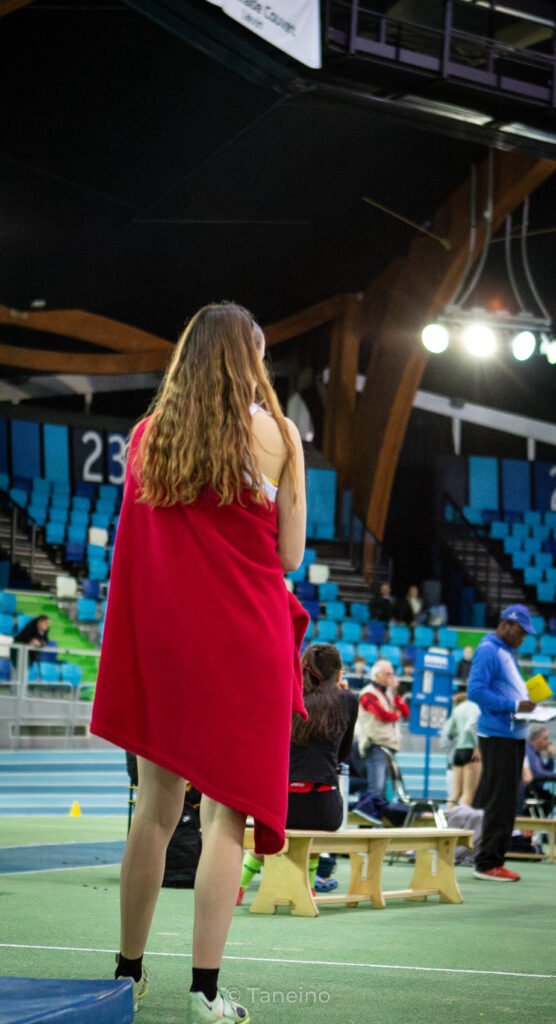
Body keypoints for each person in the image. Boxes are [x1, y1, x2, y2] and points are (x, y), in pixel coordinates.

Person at [90, 303, 308, 1023]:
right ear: (251, 358)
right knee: (225, 823)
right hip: (246, 646)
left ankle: (127, 974)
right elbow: (289, 556)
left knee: (154, 812)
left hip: (170, 645)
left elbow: (140, 551)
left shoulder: (150, 435)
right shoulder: (279, 434)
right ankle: (206, 993)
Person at [237, 643, 358, 903]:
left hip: (280, 803)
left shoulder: (286, 695)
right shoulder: (347, 700)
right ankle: (309, 885)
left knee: (274, 826)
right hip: (322, 808)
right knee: (313, 824)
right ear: (338, 674)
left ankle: (240, 885)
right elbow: (343, 754)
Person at [467, 604, 537, 883]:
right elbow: (475, 691)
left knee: (508, 800)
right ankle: (487, 863)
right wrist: (514, 705)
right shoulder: (489, 650)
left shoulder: (506, 652)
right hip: (498, 734)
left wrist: (524, 702)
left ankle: (494, 860)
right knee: (500, 800)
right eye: (520, 632)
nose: (522, 638)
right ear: (505, 624)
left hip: (511, 734)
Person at [355, 658, 410, 801]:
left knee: (383, 787)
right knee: (376, 787)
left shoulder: (390, 694)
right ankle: (368, 813)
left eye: (392, 674)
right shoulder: (368, 694)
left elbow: (405, 712)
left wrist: (396, 693)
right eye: (387, 674)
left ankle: (376, 814)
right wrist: (396, 714)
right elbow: (383, 715)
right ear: (377, 675)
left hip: (388, 744)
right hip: (375, 744)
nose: (391, 677)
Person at [441, 686, 481, 808]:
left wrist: (460, 734)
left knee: (455, 794)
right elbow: (470, 727)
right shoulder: (476, 708)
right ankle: (463, 820)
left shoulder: (457, 709)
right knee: (468, 796)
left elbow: (449, 732)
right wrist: (477, 746)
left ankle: (448, 819)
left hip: (458, 752)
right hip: (471, 752)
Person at [523, 725, 556, 817]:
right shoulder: (528, 751)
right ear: (536, 738)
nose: (547, 742)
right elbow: (538, 773)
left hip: (535, 788)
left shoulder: (536, 753)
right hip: (529, 790)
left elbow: (546, 771)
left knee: (551, 799)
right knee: (549, 800)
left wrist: (550, 757)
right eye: (545, 738)